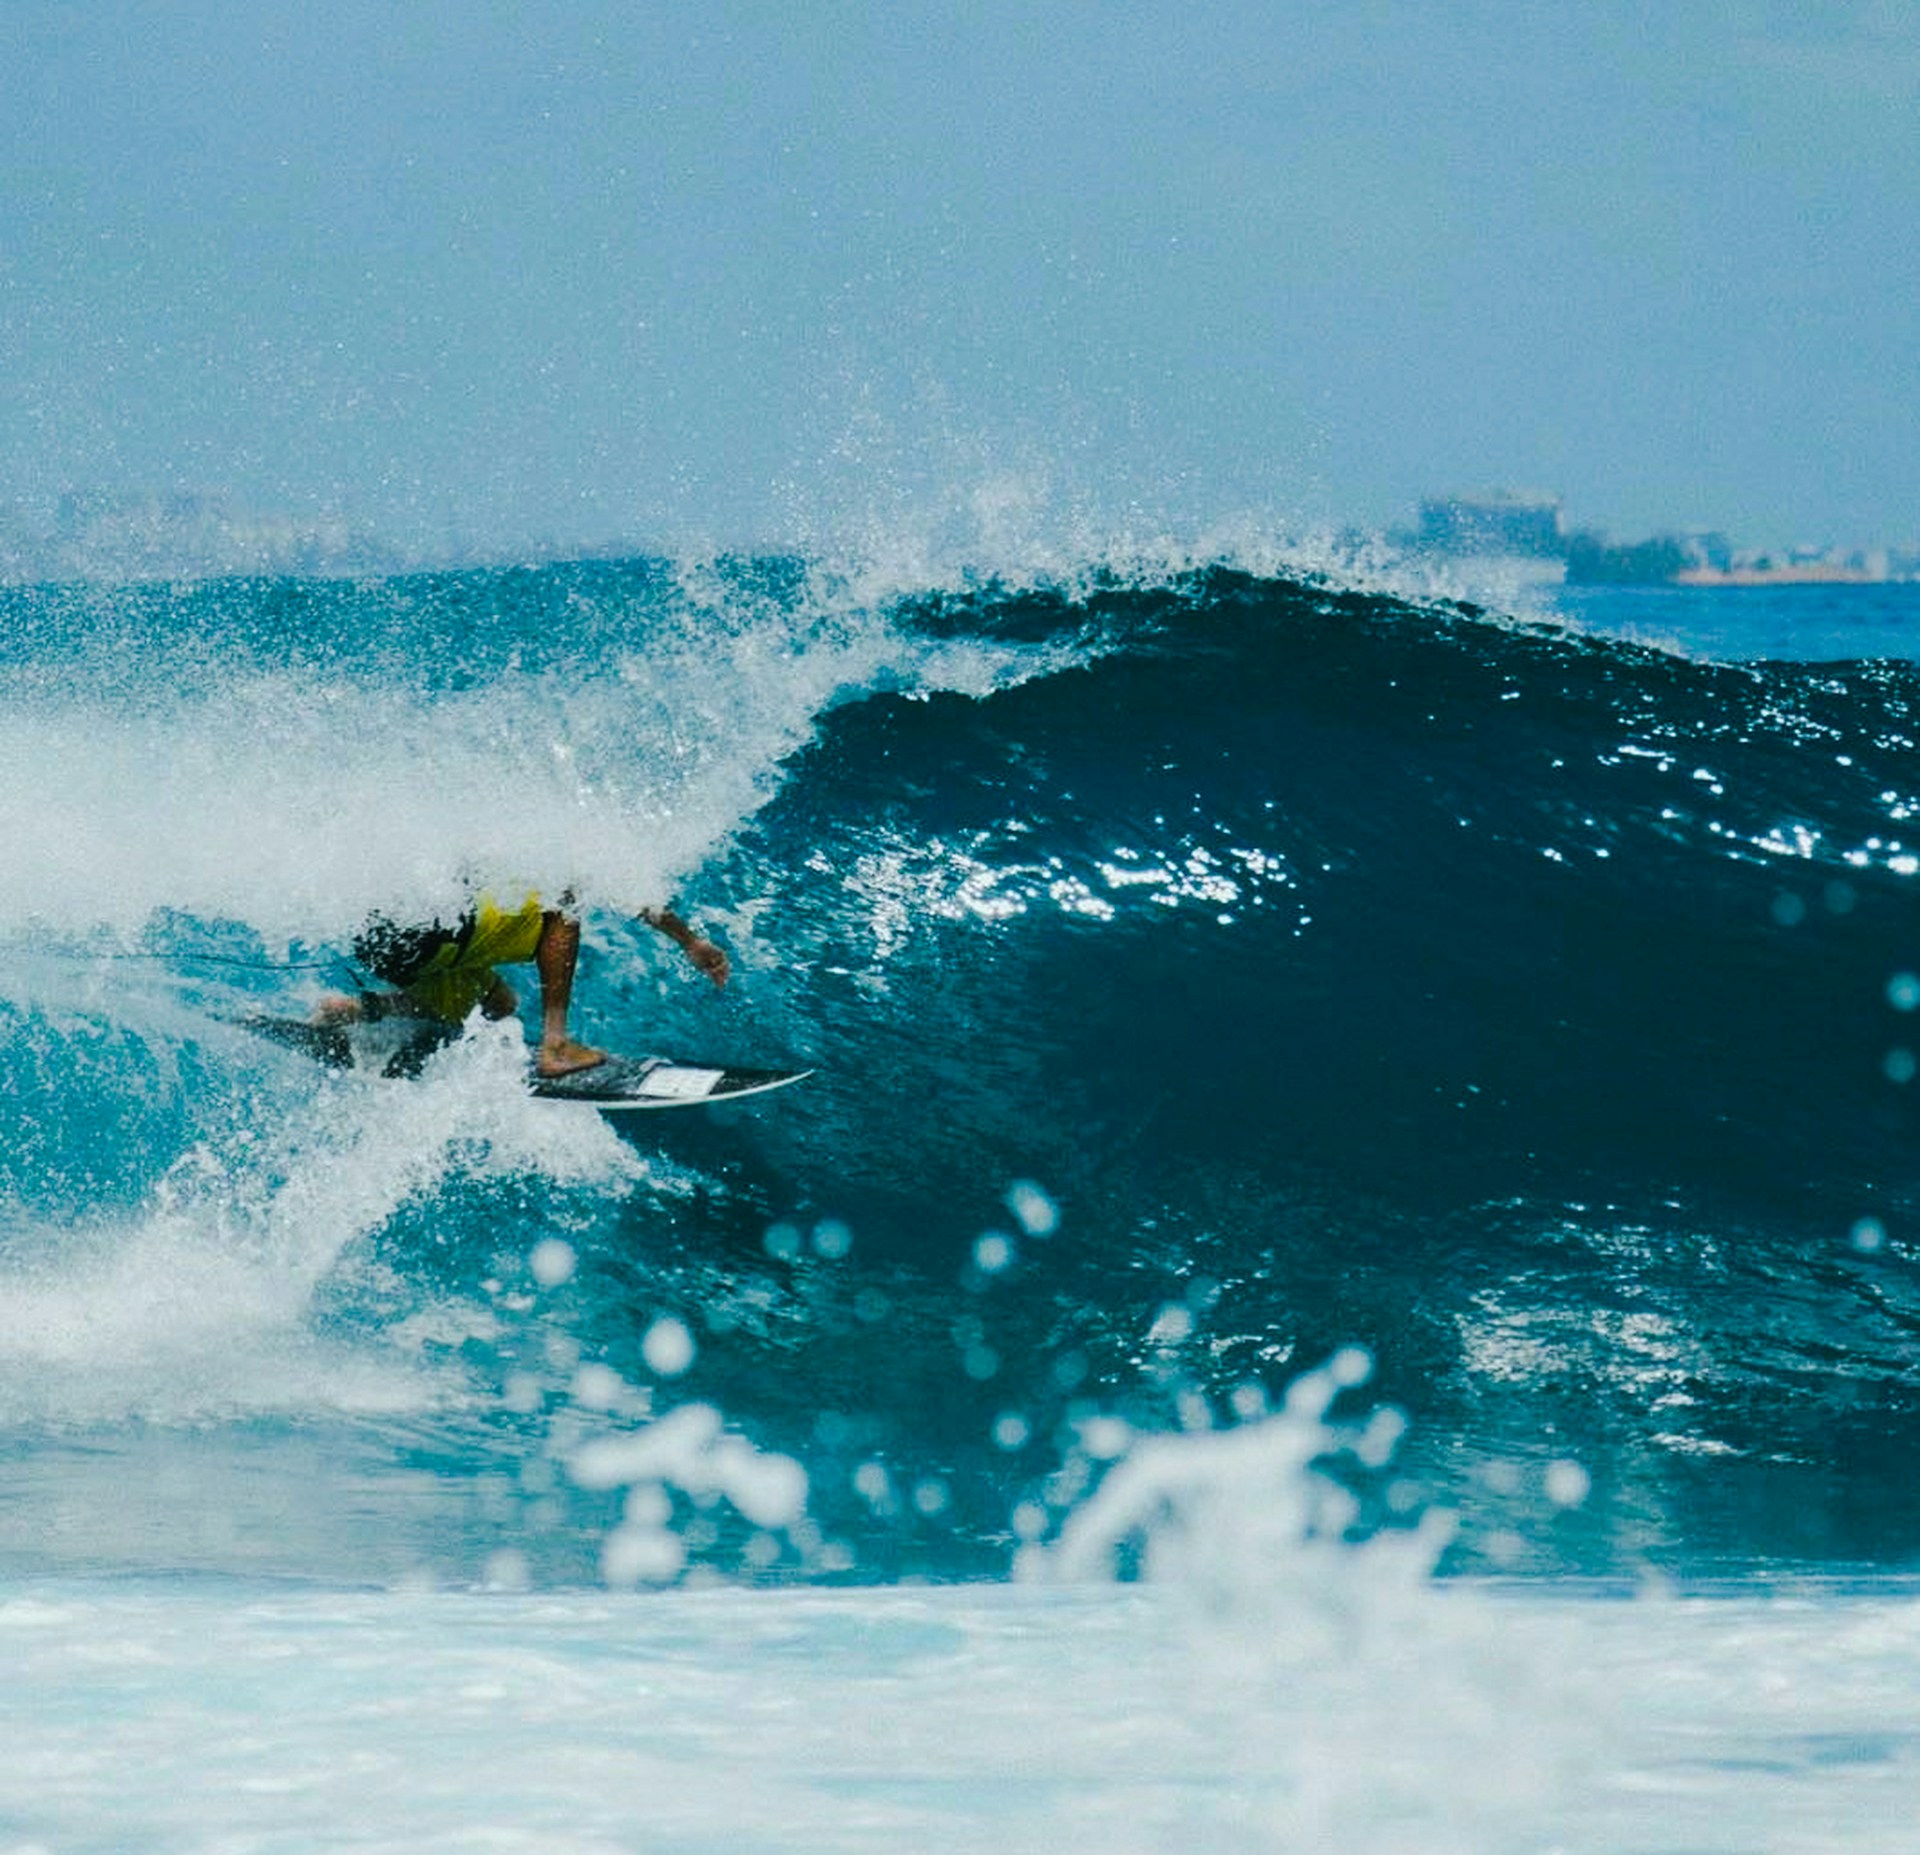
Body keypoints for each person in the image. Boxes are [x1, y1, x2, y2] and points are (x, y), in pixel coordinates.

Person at [316, 892, 729, 1077]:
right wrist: (689, 940)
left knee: (500, 1003)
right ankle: (556, 1046)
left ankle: (357, 1009)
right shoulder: (567, 830)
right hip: (436, 924)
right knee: (563, 908)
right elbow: (628, 894)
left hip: (381, 936)